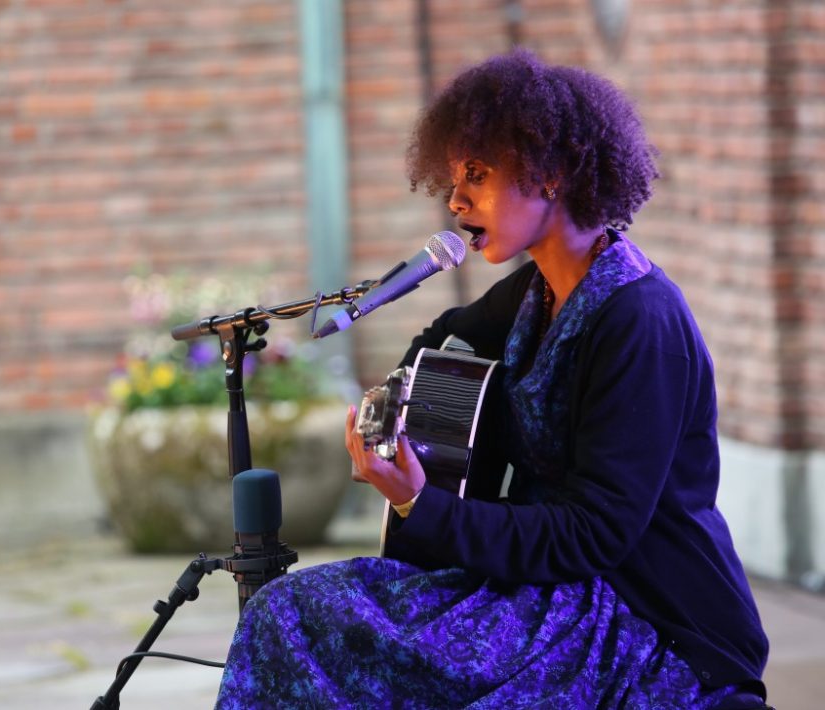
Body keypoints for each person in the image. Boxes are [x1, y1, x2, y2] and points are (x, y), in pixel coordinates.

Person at [215, 49, 769, 709]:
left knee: (298, 618)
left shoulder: (640, 322)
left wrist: (425, 505)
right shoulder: (536, 292)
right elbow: (440, 343)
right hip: (543, 589)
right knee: (290, 611)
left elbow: (595, 533)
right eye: (452, 179)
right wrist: (395, 411)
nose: (455, 201)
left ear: (552, 172)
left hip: (644, 618)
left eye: (476, 174)